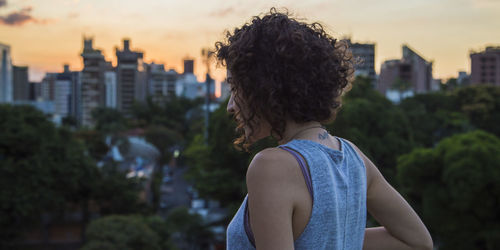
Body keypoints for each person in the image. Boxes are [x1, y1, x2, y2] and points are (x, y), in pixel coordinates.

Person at [216, 7, 433, 250]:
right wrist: (339, 239)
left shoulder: (270, 167)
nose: (230, 106)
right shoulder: (353, 157)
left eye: (235, 88)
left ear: (265, 88)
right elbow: (416, 241)